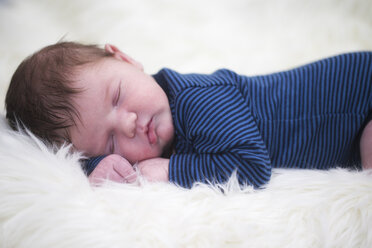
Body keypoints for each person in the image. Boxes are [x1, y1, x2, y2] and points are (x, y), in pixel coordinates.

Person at [5, 42, 372, 188]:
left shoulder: (198, 101)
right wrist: (95, 165)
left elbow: (252, 165)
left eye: (118, 96)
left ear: (127, 59)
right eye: (111, 140)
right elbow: (78, 156)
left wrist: (173, 170)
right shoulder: (152, 126)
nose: (129, 122)